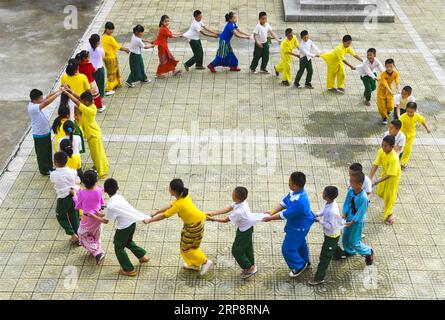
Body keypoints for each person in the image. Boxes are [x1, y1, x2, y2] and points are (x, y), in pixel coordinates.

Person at [147, 179, 213, 275]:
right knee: (191, 246)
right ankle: (194, 265)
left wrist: (150, 220)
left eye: (169, 188)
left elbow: (164, 215)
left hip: (193, 227)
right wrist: (156, 212)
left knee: (186, 248)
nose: (168, 189)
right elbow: (170, 206)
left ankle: (205, 262)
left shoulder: (180, 204)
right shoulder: (183, 196)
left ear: (173, 191)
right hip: (195, 224)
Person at [262, 172, 316, 277]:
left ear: (294, 185)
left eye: (289, 181)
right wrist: (272, 211)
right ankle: (305, 261)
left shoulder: (299, 202)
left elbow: (285, 215)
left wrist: (270, 218)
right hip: (300, 225)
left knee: (287, 249)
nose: (288, 182)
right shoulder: (294, 193)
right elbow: (285, 202)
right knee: (300, 243)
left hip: (298, 228)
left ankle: (299, 266)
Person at [207, 186, 264, 279]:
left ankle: (249, 268)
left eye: (233, 193)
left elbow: (226, 220)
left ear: (236, 197)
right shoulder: (242, 202)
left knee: (236, 251)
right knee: (247, 248)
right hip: (248, 228)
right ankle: (252, 265)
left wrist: (213, 219)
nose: (231, 194)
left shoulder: (239, 212)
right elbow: (227, 209)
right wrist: (213, 213)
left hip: (244, 232)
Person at [100, 178, 151, 276]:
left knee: (118, 247)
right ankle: (142, 256)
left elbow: (106, 221)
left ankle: (128, 269)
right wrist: (102, 214)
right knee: (128, 242)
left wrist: (92, 215)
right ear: (117, 188)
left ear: (105, 190)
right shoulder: (119, 197)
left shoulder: (111, 205)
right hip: (132, 223)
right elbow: (113, 211)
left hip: (123, 228)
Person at [64, 88, 109, 178]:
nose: (82, 102)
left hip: (93, 135)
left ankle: (102, 172)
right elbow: (80, 100)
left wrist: (66, 93)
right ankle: (99, 166)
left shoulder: (90, 110)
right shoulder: (89, 105)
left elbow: (78, 102)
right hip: (92, 134)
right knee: (96, 153)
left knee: (97, 154)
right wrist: (70, 90)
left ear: (87, 102)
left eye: (84, 101)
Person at [309, 186, 344, 286]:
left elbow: (331, 227)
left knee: (325, 257)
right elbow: (323, 210)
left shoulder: (332, 212)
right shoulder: (329, 203)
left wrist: (320, 221)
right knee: (333, 247)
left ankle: (319, 278)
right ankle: (339, 254)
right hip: (330, 234)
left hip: (332, 235)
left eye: (324, 192)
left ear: (327, 197)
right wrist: (317, 214)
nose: (322, 193)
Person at [72, 170, 106, 264]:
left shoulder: (81, 193)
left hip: (87, 219)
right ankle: (98, 250)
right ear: (95, 181)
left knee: (82, 234)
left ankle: (97, 252)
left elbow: (79, 205)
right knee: (96, 235)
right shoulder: (99, 190)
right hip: (98, 217)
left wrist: (74, 195)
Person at [341, 172, 375, 265]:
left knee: (354, 241)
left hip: (357, 221)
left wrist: (352, 221)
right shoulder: (351, 191)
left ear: (360, 184)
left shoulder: (364, 198)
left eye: (352, 182)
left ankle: (368, 252)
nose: (350, 184)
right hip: (349, 218)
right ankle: (349, 251)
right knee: (345, 237)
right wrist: (344, 213)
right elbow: (347, 203)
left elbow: (361, 212)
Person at [28, 88, 62, 175]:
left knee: (48, 151)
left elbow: (47, 97)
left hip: (46, 131)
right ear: (35, 100)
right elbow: (46, 102)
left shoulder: (38, 101)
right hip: (39, 134)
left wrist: (59, 90)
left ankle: (50, 167)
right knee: (41, 153)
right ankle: (44, 170)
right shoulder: (33, 108)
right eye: (40, 98)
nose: (42, 99)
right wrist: (59, 94)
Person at [369, 135, 401, 225]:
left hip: (392, 178)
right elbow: (376, 165)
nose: (383, 147)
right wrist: (370, 178)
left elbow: (389, 175)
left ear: (392, 147)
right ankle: (393, 196)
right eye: (382, 144)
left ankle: (390, 215)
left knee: (388, 197)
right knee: (381, 192)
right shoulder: (381, 151)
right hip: (385, 174)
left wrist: (375, 182)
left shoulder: (394, 158)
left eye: (386, 146)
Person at [49, 151, 80, 244]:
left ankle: (72, 234)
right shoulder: (73, 171)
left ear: (55, 162)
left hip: (63, 198)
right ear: (66, 161)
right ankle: (79, 237)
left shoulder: (53, 174)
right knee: (74, 216)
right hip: (74, 196)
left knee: (60, 216)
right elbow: (77, 181)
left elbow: (53, 181)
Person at [399, 102, 432, 170]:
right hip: (402, 134)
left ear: (415, 110)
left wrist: (427, 128)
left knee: (408, 150)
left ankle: (403, 163)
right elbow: (398, 125)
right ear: (406, 109)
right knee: (400, 148)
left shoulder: (417, 116)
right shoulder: (402, 117)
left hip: (411, 135)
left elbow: (422, 121)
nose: (409, 113)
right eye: (408, 111)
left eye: (411, 112)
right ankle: (395, 160)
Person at [102, 21, 130, 95]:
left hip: (107, 57)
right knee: (111, 72)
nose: (111, 31)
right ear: (106, 29)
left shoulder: (104, 36)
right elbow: (117, 46)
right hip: (111, 58)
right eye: (110, 29)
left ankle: (115, 83)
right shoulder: (109, 38)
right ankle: (108, 88)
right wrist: (126, 49)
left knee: (113, 71)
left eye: (112, 29)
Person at [376, 58, 401, 124]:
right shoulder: (383, 74)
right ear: (385, 66)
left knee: (391, 106)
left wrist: (399, 90)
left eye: (391, 66)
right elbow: (385, 84)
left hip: (390, 89)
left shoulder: (396, 74)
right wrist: (391, 92)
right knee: (381, 106)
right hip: (381, 90)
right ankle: (384, 118)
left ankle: (387, 112)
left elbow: (397, 82)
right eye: (387, 67)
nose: (389, 68)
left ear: (394, 66)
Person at [88, 34, 106, 99]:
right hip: (100, 69)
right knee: (101, 84)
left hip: (92, 69)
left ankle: (94, 96)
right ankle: (100, 97)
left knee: (94, 84)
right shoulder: (100, 49)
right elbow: (103, 55)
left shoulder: (89, 50)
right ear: (98, 42)